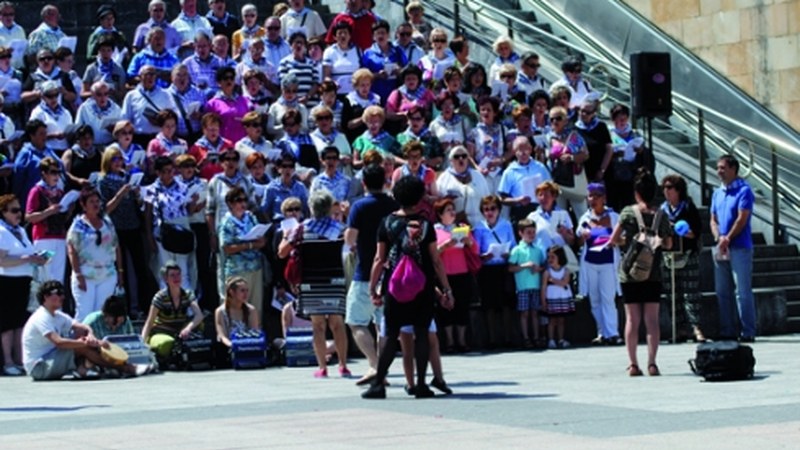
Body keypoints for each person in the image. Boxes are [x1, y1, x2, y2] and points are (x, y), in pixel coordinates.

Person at [362, 176, 454, 399]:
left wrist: (373, 287)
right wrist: (446, 289)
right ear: (420, 198)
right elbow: (435, 260)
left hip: (395, 286)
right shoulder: (426, 224)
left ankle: (378, 384)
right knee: (421, 332)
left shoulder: (387, 223)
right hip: (422, 285)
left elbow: (378, 258)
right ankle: (421, 384)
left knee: (391, 334)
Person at [278, 189, 349, 378]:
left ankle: (322, 367)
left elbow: (282, 253)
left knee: (317, 326)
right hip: (334, 280)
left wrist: (286, 235)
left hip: (311, 282)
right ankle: (343, 365)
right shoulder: (340, 229)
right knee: (337, 323)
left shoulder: (301, 229)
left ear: (311, 207)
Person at [609, 169, 672, 376]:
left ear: (636, 192)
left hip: (630, 273)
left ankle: (633, 364)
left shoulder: (628, 212)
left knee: (632, 319)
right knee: (652, 320)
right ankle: (652, 363)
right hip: (653, 273)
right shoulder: (661, 215)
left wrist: (626, 242)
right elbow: (669, 244)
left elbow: (613, 240)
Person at [23, 281, 150, 380]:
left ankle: (83, 369)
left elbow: (83, 326)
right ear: (46, 297)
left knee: (81, 339)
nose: (62, 296)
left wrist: (91, 336)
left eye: (63, 293)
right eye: (58, 293)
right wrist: (86, 343)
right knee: (80, 346)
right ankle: (128, 368)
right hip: (39, 367)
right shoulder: (42, 317)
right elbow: (59, 342)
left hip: (52, 359)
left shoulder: (58, 315)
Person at [344, 164, 397, 384]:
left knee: (356, 321)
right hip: (392, 271)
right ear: (384, 181)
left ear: (364, 183)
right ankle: (381, 368)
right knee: (383, 324)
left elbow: (349, 239)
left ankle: (375, 365)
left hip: (366, 270)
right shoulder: (394, 204)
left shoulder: (359, 206)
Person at [98, 147, 153, 317]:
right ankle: (126, 308)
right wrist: (120, 194)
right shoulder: (104, 181)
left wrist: (137, 194)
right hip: (116, 228)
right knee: (122, 270)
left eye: (120, 159)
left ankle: (144, 307)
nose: (118, 162)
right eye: (114, 159)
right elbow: (105, 209)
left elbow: (139, 204)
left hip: (133, 226)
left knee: (140, 268)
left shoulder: (128, 177)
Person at [710, 155, 756, 342]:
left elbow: (742, 218)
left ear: (733, 169)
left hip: (739, 247)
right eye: (718, 167)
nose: (719, 171)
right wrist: (718, 237)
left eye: (722, 168)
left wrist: (728, 237)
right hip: (722, 247)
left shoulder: (744, 191)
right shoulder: (717, 193)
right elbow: (713, 219)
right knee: (722, 291)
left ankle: (748, 330)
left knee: (742, 291)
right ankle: (727, 330)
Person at [1, 194, 47, 375]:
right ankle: (8, 361)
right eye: (13, 210)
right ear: (3, 213)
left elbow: (28, 253)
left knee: (20, 321)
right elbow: (2, 260)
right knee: (7, 323)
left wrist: (38, 257)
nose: (18, 214)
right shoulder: (1, 231)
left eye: (19, 210)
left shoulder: (20, 230)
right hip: (6, 281)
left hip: (23, 280)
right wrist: (27, 258)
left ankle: (19, 359)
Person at [143, 156, 202, 291]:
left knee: (184, 270)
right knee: (165, 271)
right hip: (163, 234)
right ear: (158, 173)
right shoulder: (152, 189)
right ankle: (166, 306)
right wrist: (149, 237)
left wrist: (194, 202)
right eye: (166, 171)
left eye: (171, 171)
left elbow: (188, 211)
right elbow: (148, 214)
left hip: (182, 232)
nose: (170, 174)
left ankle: (187, 307)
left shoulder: (182, 187)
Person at [67, 188, 124, 322]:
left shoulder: (107, 222)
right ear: (83, 204)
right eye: (91, 201)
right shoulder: (78, 225)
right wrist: (78, 274)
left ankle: (97, 342)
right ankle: (79, 342)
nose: (95, 204)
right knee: (84, 314)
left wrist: (120, 271)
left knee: (101, 313)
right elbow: (72, 250)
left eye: (97, 201)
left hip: (107, 274)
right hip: (86, 275)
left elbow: (116, 246)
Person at [576, 183, 622, 345]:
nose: (593, 199)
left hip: (608, 262)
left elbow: (624, 239)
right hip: (590, 263)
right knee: (594, 299)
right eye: (591, 196)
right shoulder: (585, 218)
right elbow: (579, 240)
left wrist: (614, 241)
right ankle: (602, 332)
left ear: (604, 198)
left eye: (597, 196)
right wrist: (584, 236)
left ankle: (613, 333)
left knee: (608, 298)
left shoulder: (614, 217)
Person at [660, 174, 704, 342]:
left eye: (670, 187)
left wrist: (681, 231)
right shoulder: (662, 210)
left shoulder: (688, 207)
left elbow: (696, 232)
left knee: (690, 294)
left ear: (678, 190)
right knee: (673, 294)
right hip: (669, 256)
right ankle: (678, 329)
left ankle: (696, 328)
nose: (666, 191)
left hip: (687, 254)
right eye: (664, 188)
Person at [433, 198, 478, 353]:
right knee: (446, 308)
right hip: (444, 274)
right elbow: (432, 253)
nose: (452, 213)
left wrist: (468, 241)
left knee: (462, 307)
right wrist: (445, 246)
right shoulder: (435, 230)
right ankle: (450, 342)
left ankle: (462, 341)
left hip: (462, 272)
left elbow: (475, 250)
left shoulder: (462, 228)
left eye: (453, 210)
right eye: (448, 210)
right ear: (440, 214)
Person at [473, 194, 517, 348]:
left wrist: (508, 253)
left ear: (499, 210)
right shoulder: (479, 227)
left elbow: (514, 245)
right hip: (487, 269)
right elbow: (476, 249)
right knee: (489, 305)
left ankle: (508, 338)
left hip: (503, 267)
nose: (489, 212)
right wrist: (483, 256)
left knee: (506, 304)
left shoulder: (506, 224)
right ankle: (492, 339)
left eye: (492, 209)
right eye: (486, 209)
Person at [140, 262, 204, 361]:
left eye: (178, 274)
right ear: (166, 279)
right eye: (172, 275)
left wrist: (188, 328)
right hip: (162, 332)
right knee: (167, 343)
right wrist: (142, 344)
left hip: (180, 331)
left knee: (201, 325)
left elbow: (199, 315)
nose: (176, 278)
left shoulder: (187, 294)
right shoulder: (160, 297)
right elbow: (149, 322)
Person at [220, 186, 266, 316]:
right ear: (230, 203)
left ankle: (256, 334)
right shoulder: (226, 223)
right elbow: (227, 248)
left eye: (244, 200)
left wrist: (259, 242)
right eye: (238, 200)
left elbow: (261, 240)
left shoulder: (251, 218)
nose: (243, 204)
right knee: (237, 308)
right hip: (237, 271)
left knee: (256, 308)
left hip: (255, 268)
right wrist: (249, 245)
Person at [25, 157, 69, 286]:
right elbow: (29, 217)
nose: (56, 176)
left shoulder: (60, 192)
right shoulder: (36, 191)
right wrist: (49, 211)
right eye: (52, 172)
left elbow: (61, 218)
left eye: (58, 172)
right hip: (43, 238)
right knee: (43, 276)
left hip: (60, 237)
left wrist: (68, 210)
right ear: (44, 173)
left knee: (58, 278)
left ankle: (56, 305)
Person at [508, 219, 546, 348]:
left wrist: (538, 269)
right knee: (524, 313)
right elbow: (510, 268)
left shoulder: (538, 250)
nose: (531, 235)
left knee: (535, 312)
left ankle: (536, 337)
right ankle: (526, 338)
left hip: (535, 286)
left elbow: (542, 267)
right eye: (528, 232)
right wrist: (524, 266)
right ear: (521, 233)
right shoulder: (517, 250)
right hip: (522, 287)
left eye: (533, 232)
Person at [547, 105, 590, 219]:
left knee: (582, 214)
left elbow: (585, 154)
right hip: (556, 182)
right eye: (552, 119)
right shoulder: (548, 137)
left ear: (565, 120)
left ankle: (585, 235)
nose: (555, 121)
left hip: (573, 181)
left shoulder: (574, 136)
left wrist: (571, 158)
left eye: (558, 118)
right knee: (558, 215)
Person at [498, 136, 552, 223]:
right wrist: (517, 200)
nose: (523, 153)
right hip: (520, 212)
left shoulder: (540, 167)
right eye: (519, 150)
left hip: (540, 209)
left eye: (526, 149)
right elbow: (502, 198)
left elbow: (551, 187)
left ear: (530, 150)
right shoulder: (509, 171)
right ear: (515, 152)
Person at [12, 120, 62, 211]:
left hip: (52, 201)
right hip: (32, 202)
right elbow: (17, 180)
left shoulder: (49, 151)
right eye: (41, 134)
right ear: (32, 136)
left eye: (45, 133)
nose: (45, 137)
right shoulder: (25, 154)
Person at [434, 146, 489, 227]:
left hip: (479, 223)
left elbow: (487, 200)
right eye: (456, 157)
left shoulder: (478, 176)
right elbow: (439, 204)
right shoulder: (444, 178)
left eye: (464, 156)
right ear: (451, 161)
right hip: (455, 224)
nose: (461, 159)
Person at [121, 65, 174, 144]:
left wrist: (160, 120)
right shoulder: (131, 95)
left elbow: (172, 117)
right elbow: (125, 119)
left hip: (159, 139)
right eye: (147, 74)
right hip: (139, 138)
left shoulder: (165, 94)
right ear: (140, 77)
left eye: (153, 74)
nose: (150, 77)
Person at [361, 20, 406, 104]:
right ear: (373, 36)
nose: (380, 36)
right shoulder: (368, 53)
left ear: (388, 34)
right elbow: (362, 76)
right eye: (377, 33)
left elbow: (407, 70)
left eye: (383, 33)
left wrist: (400, 71)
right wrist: (377, 75)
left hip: (395, 94)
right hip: (375, 94)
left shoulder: (397, 50)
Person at [541, 245, 575, 349]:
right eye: (548, 257)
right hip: (552, 298)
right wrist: (543, 302)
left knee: (561, 319)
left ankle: (560, 339)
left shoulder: (565, 271)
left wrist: (553, 280)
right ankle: (551, 340)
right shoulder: (547, 272)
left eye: (553, 257)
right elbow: (543, 287)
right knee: (552, 320)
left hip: (562, 297)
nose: (550, 260)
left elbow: (565, 282)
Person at [205, 67, 249, 143]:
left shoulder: (244, 100)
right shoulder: (212, 104)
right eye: (225, 78)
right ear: (219, 82)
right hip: (223, 145)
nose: (229, 81)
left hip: (243, 144)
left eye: (231, 78)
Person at [28, 80, 73, 155]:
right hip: (46, 151)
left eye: (56, 95)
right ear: (42, 96)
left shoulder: (66, 112)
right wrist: (53, 136)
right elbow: (32, 135)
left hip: (65, 150)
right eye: (49, 96)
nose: (54, 99)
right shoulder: (37, 112)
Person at [169, 61, 209, 141]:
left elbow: (207, 116)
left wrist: (200, 116)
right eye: (178, 75)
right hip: (175, 138)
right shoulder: (166, 94)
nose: (182, 78)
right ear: (172, 78)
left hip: (196, 136)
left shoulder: (199, 93)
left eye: (185, 75)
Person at [215, 276, 259, 348]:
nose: (246, 294)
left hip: (248, 347)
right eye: (242, 291)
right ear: (231, 292)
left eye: (247, 290)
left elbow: (255, 333)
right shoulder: (220, 311)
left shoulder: (251, 310)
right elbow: (222, 336)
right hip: (228, 348)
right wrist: (233, 346)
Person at [75, 81, 122, 147]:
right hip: (90, 147)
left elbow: (122, 131)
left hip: (110, 146)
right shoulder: (84, 108)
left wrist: (114, 130)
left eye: (106, 94)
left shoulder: (116, 109)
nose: (103, 97)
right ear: (93, 94)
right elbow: (78, 127)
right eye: (99, 94)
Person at [396, 105, 443, 171]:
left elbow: (440, 158)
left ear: (423, 120)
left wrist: (427, 162)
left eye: (418, 119)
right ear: (408, 120)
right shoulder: (400, 137)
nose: (415, 122)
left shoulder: (432, 137)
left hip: (427, 173)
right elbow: (394, 157)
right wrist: (407, 162)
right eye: (412, 118)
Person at [191, 112, 235, 181]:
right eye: (210, 129)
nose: (213, 132)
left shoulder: (229, 144)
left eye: (216, 129)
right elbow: (190, 172)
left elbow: (236, 166)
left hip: (226, 182)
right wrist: (201, 164)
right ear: (203, 130)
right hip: (206, 184)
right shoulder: (196, 147)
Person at [341, 69, 381, 144]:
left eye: (367, 85)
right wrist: (363, 118)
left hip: (374, 139)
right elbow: (347, 125)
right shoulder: (350, 100)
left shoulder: (376, 99)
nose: (365, 88)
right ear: (356, 86)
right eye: (362, 85)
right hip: (355, 139)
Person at [322, 20, 361, 97]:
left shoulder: (357, 50)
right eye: (340, 33)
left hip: (355, 94)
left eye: (345, 33)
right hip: (337, 94)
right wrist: (332, 83)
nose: (343, 35)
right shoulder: (329, 52)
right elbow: (326, 76)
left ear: (349, 36)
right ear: (334, 37)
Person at [278, 32, 319, 105]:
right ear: (291, 45)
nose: (299, 45)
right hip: (293, 105)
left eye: (302, 43)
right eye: (296, 42)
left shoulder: (312, 63)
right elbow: (283, 84)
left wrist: (307, 97)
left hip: (311, 104)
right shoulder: (284, 62)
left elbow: (316, 83)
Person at [0, 2, 26, 70]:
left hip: (20, 69)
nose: (8, 17)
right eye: (5, 14)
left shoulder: (20, 29)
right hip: (3, 71)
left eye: (11, 14)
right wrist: (4, 52)